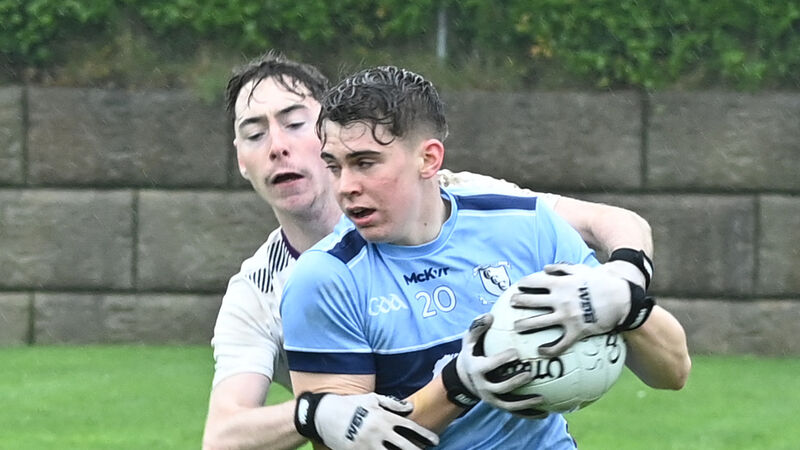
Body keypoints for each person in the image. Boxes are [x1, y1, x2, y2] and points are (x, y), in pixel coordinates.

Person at [202, 52, 682, 449]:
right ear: (239, 158)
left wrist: (624, 297)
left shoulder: (499, 211)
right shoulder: (291, 285)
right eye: (255, 132)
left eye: (293, 123)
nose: (278, 147)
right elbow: (236, 437)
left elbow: (616, 228)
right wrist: (457, 383)